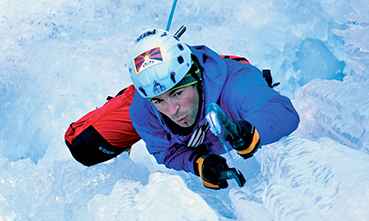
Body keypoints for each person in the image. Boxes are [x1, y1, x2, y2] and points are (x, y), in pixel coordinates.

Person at [127, 28, 299, 189]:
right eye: (159, 101)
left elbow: (283, 111)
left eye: (177, 94)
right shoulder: (142, 111)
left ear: (196, 78)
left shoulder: (234, 85)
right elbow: (166, 151)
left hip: (230, 79)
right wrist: (198, 163)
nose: (172, 110)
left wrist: (251, 130)